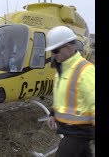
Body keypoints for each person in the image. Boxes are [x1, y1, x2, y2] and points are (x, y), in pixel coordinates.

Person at [45, 26, 95, 157]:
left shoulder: (86, 70)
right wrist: (53, 113)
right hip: (69, 130)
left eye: (56, 50)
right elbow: (64, 98)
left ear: (68, 47)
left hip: (79, 131)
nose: (53, 55)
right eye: (52, 52)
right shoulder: (62, 69)